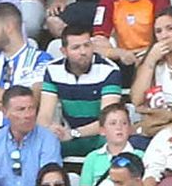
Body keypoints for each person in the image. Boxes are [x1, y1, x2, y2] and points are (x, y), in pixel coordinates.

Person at [39, 24, 123, 157]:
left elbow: (107, 120)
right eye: (76, 48)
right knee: (42, 142)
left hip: (99, 136)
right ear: (64, 51)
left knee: (113, 140)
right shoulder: (52, 70)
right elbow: (44, 115)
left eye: (87, 45)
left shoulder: (109, 70)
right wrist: (51, 129)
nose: (83, 52)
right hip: (68, 135)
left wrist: (74, 133)